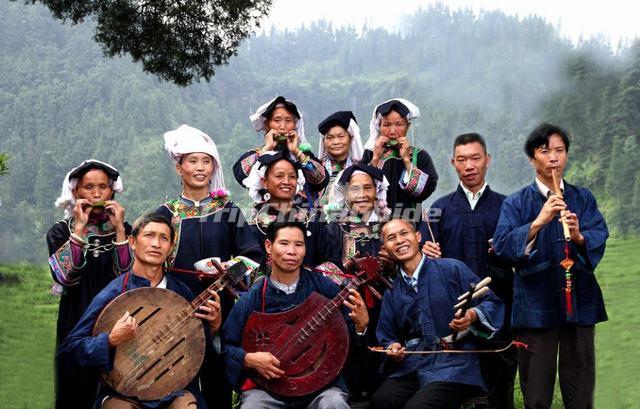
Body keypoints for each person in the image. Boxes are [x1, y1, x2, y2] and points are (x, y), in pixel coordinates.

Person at [492, 123, 608, 409]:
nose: (554, 158)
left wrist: (579, 236)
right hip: (534, 303)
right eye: (545, 151)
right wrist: (538, 222)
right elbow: (504, 247)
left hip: (579, 301)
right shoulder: (516, 202)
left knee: (580, 385)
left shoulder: (582, 198)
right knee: (536, 388)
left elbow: (599, 234)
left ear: (566, 155)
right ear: (533, 158)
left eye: (560, 150)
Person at [58, 212, 220, 408]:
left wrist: (213, 328)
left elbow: (197, 351)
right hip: (123, 392)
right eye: (149, 235)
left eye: (164, 238)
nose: (156, 244)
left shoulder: (181, 293)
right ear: (133, 242)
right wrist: (109, 341)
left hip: (175, 391)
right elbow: (69, 352)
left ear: (170, 248)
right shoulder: (114, 293)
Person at [157, 124, 263, 409]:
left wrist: (232, 269)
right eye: (193, 161)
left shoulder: (228, 211)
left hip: (221, 308)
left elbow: (254, 255)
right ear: (179, 168)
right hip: (178, 309)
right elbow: (153, 258)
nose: (200, 168)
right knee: (177, 384)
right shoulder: (166, 214)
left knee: (218, 385)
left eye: (206, 161)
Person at [222, 221, 370, 408]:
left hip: (321, 386)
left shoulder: (325, 288)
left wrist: (360, 326)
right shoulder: (254, 297)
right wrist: (247, 359)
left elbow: (346, 338)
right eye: (284, 243)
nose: (292, 251)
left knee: (334, 403)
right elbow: (228, 345)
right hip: (267, 390)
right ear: (269, 246)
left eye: (298, 244)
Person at [420, 133, 516, 408]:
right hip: (455, 308)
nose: (469, 165)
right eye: (462, 159)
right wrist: (426, 250)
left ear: (487, 160)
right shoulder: (439, 209)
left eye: (475, 158)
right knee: (455, 379)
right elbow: (425, 255)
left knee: (500, 379)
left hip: (499, 304)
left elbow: (522, 251)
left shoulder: (506, 205)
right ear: (453, 163)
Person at [371, 218, 504, 409]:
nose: (399, 240)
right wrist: (393, 347)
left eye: (404, 233)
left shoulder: (451, 269)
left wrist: (472, 315)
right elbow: (387, 335)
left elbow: (491, 302)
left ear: (418, 237)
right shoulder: (392, 291)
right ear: (385, 248)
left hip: (454, 366)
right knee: (382, 401)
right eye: (391, 238)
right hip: (412, 366)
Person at [47, 159, 133, 409]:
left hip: (115, 316)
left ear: (112, 191)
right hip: (76, 314)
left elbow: (126, 276)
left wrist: (119, 231)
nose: (96, 194)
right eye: (88, 187)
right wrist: (81, 229)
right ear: (75, 192)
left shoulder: (124, 229)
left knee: (113, 386)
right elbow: (65, 276)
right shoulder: (60, 232)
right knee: (74, 387)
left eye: (103, 187)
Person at [324, 163, 396, 400]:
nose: (362, 195)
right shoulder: (335, 228)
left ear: (376, 191)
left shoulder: (388, 226)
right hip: (346, 308)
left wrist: (390, 263)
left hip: (386, 307)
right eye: (355, 189)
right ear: (346, 193)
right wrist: (347, 277)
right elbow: (324, 266)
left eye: (368, 188)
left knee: (383, 372)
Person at [244, 149, 337, 268]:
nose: (286, 182)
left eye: (292, 176)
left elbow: (332, 259)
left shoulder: (311, 219)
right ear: (265, 182)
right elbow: (249, 267)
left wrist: (311, 279)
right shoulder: (255, 225)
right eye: (279, 176)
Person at [233, 96, 329, 202]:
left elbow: (321, 180)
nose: (282, 127)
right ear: (267, 125)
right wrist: (267, 148)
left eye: (288, 121)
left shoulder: (303, 156)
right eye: (277, 120)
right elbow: (241, 175)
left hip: (300, 215)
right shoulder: (258, 155)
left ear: (295, 126)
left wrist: (296, 151)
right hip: (267, 215)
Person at [360, 98, 438, 216]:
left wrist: (406, 159)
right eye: (386, 125)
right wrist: (375, 158)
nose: (392, 131)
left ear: (408, 126)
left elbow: (425, 191)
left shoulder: (420, 156)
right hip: (374, 226)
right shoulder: (369, 155)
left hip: (408, 225)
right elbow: (358, 189)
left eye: (399, 124)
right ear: (379, 126)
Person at [316, 111, 364, 204]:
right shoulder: (316, 167)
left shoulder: (361, 168)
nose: (336, 142)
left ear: (351, 138)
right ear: (323, 141)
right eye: (330, 137)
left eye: (341, 136)